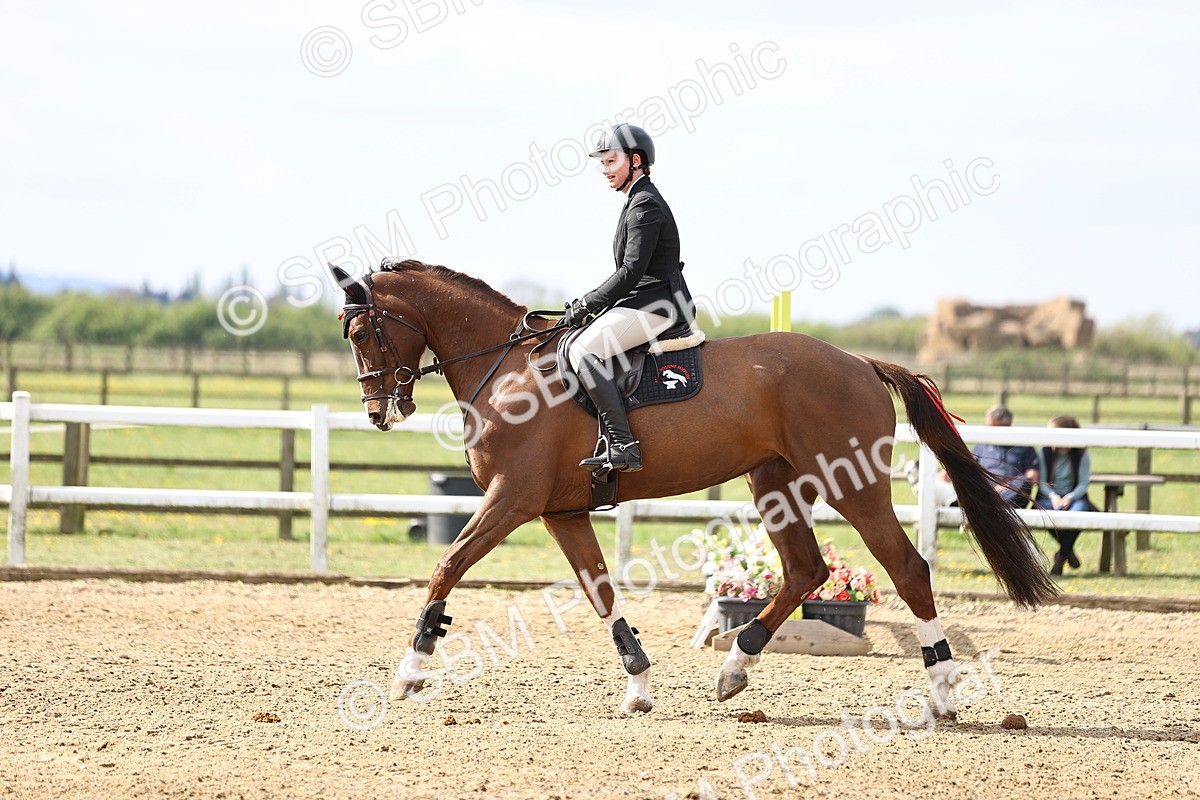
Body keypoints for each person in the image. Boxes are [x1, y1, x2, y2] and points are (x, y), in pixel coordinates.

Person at [562, 123, 696, 474]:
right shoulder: (636, 200)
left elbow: (631, 273)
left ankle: (624, 445)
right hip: (645, 300)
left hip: (659, 305)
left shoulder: (645, 206)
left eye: (610, 161)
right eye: (602, 163)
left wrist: (588, 303)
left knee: (583, 351)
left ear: (635, 160)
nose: (604, 170)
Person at [1035, 415, 1094, 575]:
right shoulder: (1045, 452)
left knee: (1079, 513)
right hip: (1049, 497)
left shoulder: (1081, 453)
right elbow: (1042, 482)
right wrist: (1053, 495)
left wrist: (1070, 497)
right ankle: (1067, 551)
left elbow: (1083, 483)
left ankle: (1061, 557)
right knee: (1043, 512)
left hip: (1074, 497)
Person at [970, 404, 1038, 508]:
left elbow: (1032, 476)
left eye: (991, 427)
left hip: (1013, 492)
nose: (987, 430)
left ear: (1008, 425)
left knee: (1024, 482)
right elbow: (967, 467)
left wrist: (1007, 486)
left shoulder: (1025, 446)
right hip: (986, 489)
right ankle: (990, 501)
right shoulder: (981, 444)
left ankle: (992, 502)